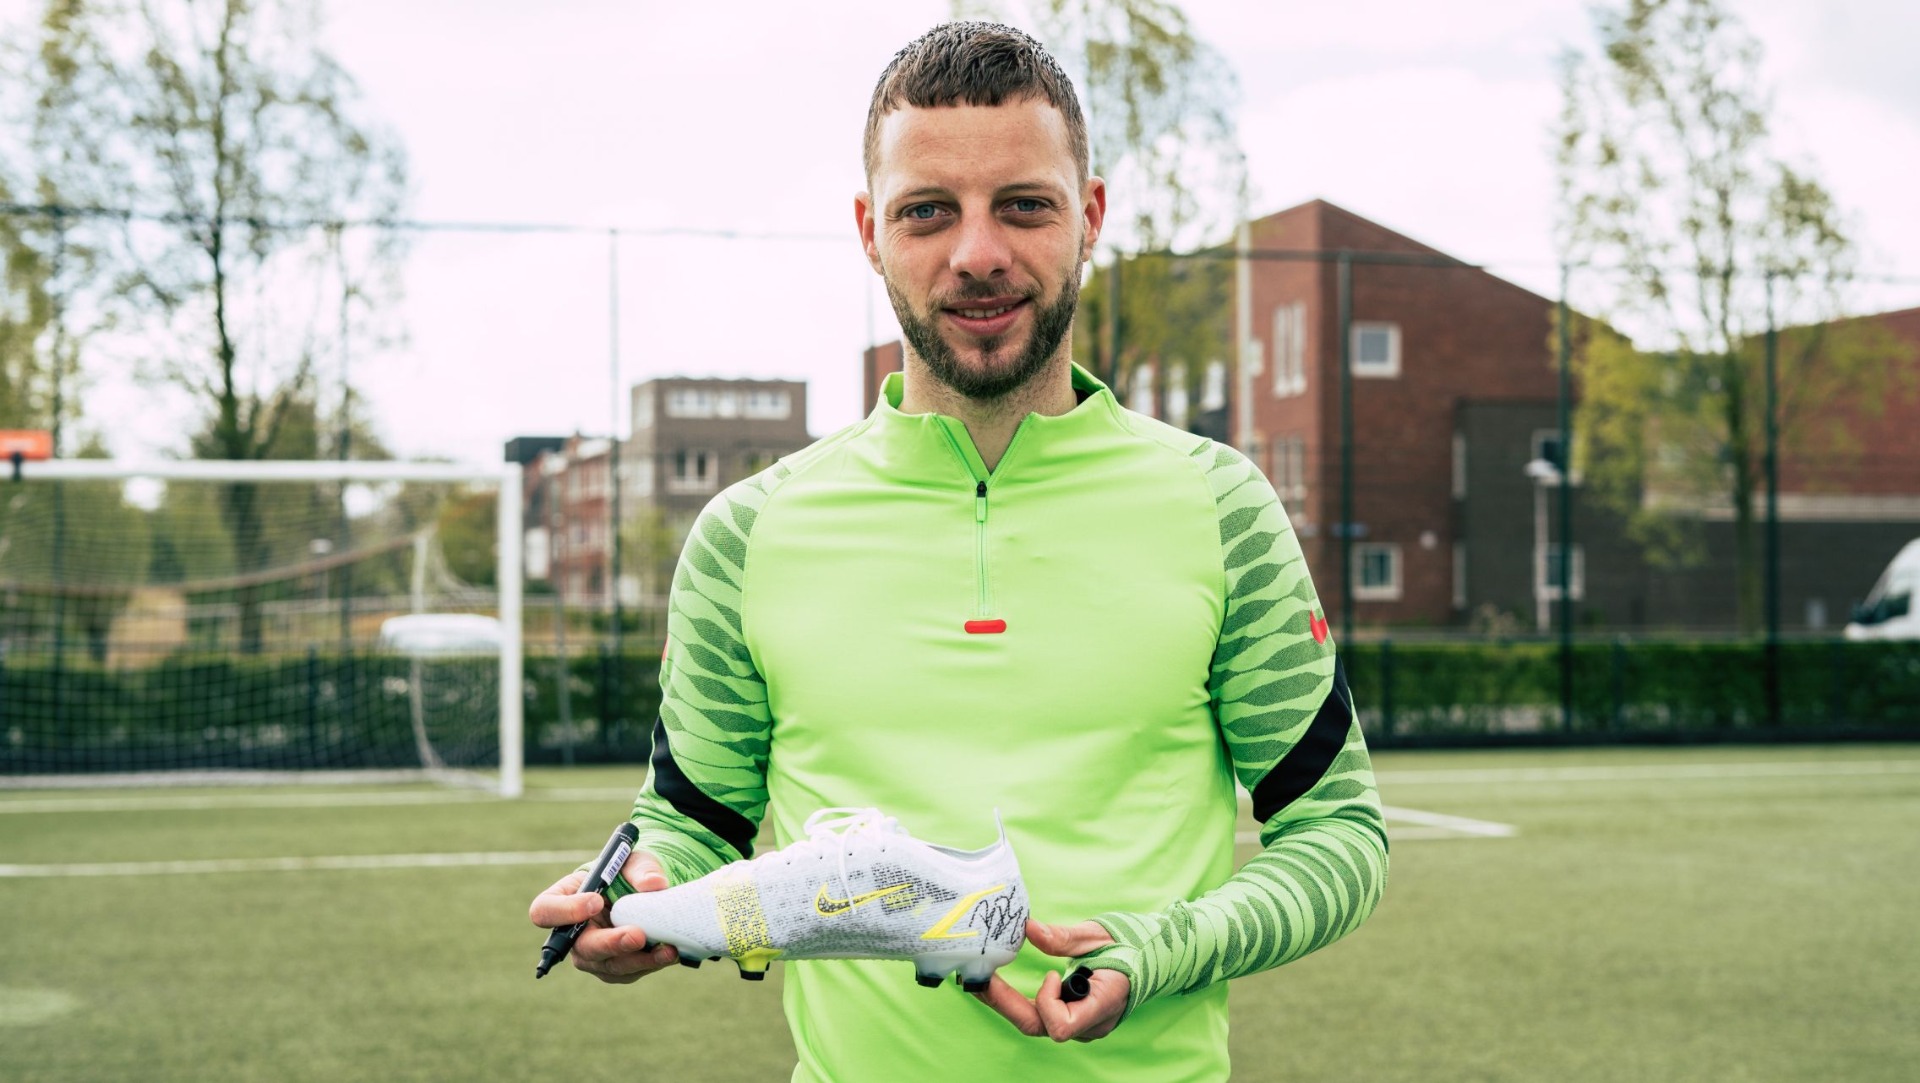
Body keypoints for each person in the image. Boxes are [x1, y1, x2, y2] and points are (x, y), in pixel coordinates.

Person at [529, 21, 1388, 1081]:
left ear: (1091, 219)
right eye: (928, 211)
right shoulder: (749, 532)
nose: (978, 253)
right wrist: (640, 892)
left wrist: (1160, 954)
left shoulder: (1218, 506)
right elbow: (692, 819)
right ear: (869, 231)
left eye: (1024, 205)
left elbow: (1340, 834)